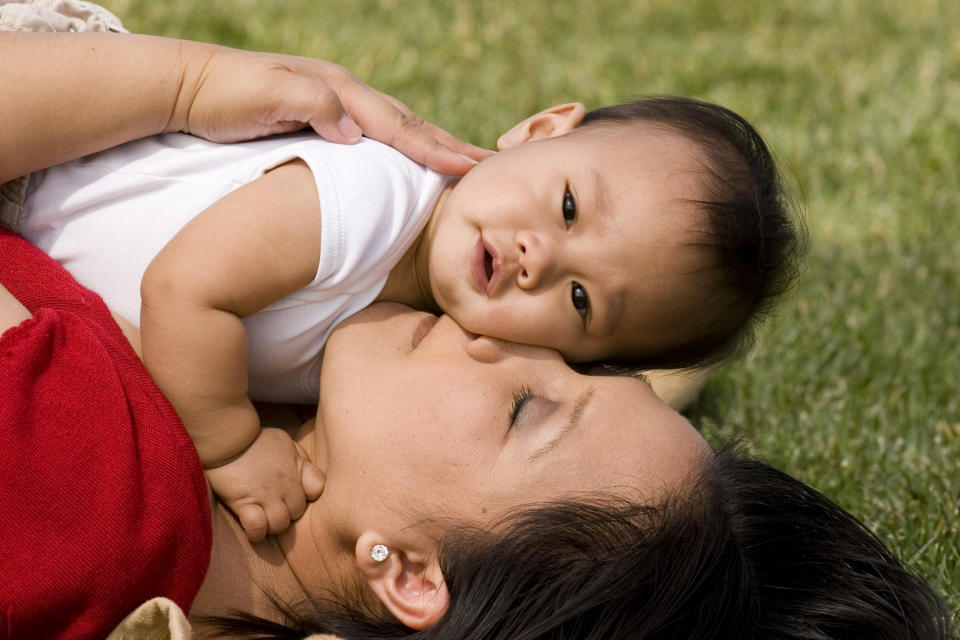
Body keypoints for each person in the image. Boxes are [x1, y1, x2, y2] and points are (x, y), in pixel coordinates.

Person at [8, 40, 803, 538]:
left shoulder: (402, 331)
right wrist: (231, 444)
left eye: (583, 302)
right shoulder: (368, 200)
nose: (538, 257)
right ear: (538, 130)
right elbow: (185, 290)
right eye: (566, 207)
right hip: (43, 153)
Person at [0, 231, 951, 639]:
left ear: (411, 574)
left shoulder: (84, 472)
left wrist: (201, 83)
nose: (505, 338)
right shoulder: (210, 417)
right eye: (586, 364)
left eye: (527, 408)